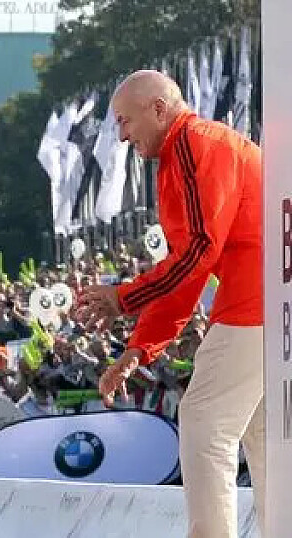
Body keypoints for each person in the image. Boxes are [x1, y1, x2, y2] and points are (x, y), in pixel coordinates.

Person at [76, 69, 263, 538]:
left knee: (205, 421)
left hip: (257, 299)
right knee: (265, 437)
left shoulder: (194, 145)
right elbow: (187, 269)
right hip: (265, 296)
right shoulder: (187, 151)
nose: (122, 136)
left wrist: (124, 298)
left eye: (125, 121)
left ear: (159, 109)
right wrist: (139, 350)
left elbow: (198, 251)